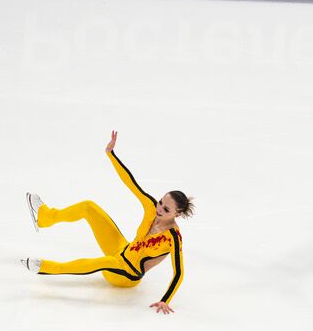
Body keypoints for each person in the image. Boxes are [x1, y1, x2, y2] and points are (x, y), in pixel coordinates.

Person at [22, 130, 194, 314]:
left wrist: (165, 300)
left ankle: (44, 268)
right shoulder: (151, 207)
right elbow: (131, 183)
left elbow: (179, 273)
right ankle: (45, 217)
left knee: (100, 262)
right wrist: (111, 155)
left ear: (177, 214)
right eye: (160, 202)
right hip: (121, 248)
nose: (159, 209)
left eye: (166, 209)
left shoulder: (173, 238)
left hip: (126, 275)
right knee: (89, 207)